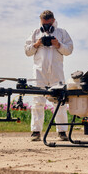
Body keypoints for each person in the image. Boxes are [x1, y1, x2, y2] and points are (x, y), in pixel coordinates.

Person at [24, 10, 73, 141]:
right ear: (41, 23)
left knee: (60, 102)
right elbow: (27, 51)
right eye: (43, 24)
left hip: (56, 72)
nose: (46, 27)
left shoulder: (62, 33)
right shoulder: (35, 33)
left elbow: (69, 50)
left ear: (53, 21)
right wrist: (37, 44)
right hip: (39, 72)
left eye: (48, 24)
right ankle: (36, 131)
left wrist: (58, 45)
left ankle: (62, 131)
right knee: (37, 101)